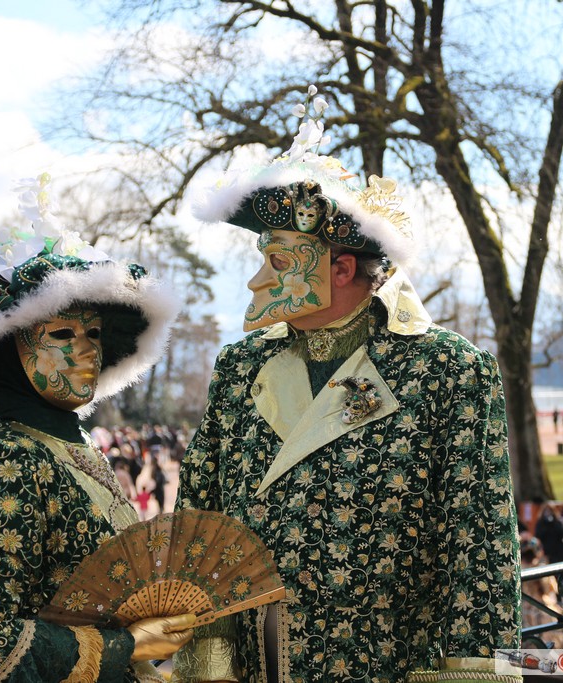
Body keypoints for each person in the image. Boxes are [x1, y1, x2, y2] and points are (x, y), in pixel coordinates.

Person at [172, 99, 521, 683]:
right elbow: (201, 529)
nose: (258, 279)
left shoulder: (447, 372)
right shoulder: (239, 370)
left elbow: (479, 552)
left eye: (278, 259)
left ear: (339, 267)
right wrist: (208, 665)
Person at [0, 174, 190, 683]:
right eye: (61, 333)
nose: (87, 350)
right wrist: (129, 645)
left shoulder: (68, 444)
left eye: (95, 333)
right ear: (7, 354)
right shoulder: (5, 456)